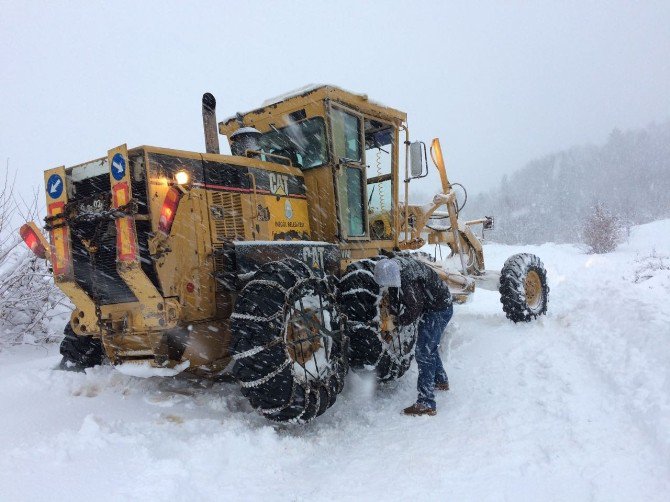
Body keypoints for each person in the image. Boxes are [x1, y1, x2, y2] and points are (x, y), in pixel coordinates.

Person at [374, 257, 453, 416]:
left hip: (438, 309)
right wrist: (394, 312)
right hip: (436, 305)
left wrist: (397, 321)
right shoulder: (396, 267)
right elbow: (394, 292)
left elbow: (414, 309)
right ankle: (441, 380)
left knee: (424, 352)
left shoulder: (408, 279)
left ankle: (426, 403)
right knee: (429, 346)